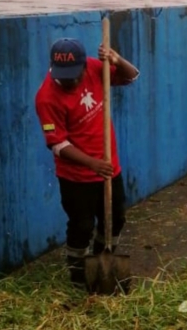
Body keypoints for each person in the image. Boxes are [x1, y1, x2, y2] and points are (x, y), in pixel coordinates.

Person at [34, 38, 140, 286]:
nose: (69, 81)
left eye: (74, 75)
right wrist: (92, 163)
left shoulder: (95, 68)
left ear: (84, 65)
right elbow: (57, 144)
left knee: (115, 219)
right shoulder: (46, 97)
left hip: (109, 167)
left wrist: (116, 60)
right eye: (63, 76)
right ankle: (78, 274)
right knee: (81, 226)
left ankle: (102, 261)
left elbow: (131, 76)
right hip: (76, 177)